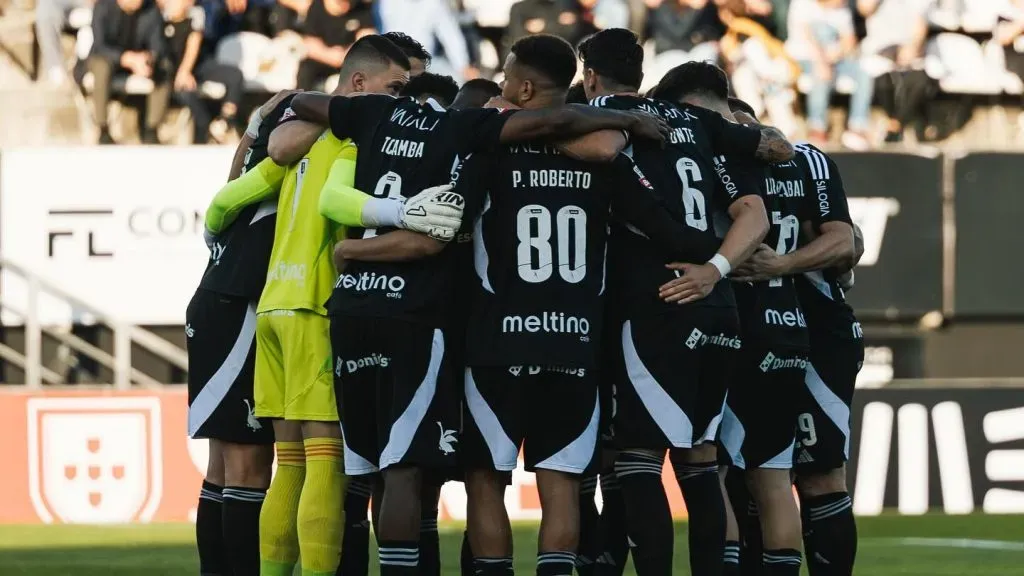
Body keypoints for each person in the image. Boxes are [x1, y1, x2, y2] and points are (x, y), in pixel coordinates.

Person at [281, 68, 669, 576]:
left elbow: (425, 229)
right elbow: (628, 182)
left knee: (460, 478)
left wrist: (351, 247)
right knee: (559, 484)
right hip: (568, 339)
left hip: (476, 340)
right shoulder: (575, 150)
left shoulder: (445, 139)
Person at [461, 33, 723, 576]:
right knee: (561, 482)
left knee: (486, 478)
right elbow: (650, 213)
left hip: (497, 336)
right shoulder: (603, 157)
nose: (502, 85)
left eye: (508, 77)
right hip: (577, 339)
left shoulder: (487, 141)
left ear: (525, 87)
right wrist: (719, 260)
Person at [201, 35, 439, 576]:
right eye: (394, 87)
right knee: (326, 467)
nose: (401, 100)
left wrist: (214, 237)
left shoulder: (296, 144)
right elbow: (336, 200)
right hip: (314, 306)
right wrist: (404, 210)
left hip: (273, 308)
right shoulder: (355, 139)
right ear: (358, 83)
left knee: (288, 466)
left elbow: (224, 202)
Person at [579, 29, 784, 576]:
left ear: (591, 75)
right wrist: (716, 269)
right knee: (700, 461)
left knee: (639, 460)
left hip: (658, 300)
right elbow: (769, 164)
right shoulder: (702, 124)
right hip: (718, 306)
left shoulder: (596, 113)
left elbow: (602, 161)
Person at [730, 97, 862, 576]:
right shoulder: (718, 165)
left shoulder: (806, 160)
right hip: (748, 332)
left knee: (820, 473)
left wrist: (784, 263)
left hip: (818, 335)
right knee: (748, 476)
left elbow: (847, 240)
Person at [186, 87, 296, 576]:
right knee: (248, 464)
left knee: (224, 465)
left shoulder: (254, 164)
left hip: (220, 299)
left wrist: (253, 126)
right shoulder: (297, 146)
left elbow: (234, 181)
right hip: (241, 304)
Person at [75, 0, 170, 144]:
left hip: (138, 62)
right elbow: (100, 46)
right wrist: (125, 58)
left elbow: (158, 46)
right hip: (107, 59)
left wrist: (148, 59)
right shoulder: (103, 7)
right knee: (102, 67)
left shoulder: (151, 11)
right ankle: (103, 129)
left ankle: (151, 129)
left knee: (165, 67)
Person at [785, 0, 874, 149]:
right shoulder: (802, 4)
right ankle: (817, 128)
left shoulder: (842, 9)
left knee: (864, 71)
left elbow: (849, 39)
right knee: (820, 73)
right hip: (804, 58)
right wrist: (822, 60)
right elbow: (806, 36)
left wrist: (836, 53)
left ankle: (857, 127)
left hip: (834, 58)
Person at [162, 0, 246, 143]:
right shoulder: (160, 18)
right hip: (170, 71)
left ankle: (224, 122)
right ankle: (207, 129)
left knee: (235, 76)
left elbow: (194, 42)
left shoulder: (196, 14)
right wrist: (181, 73)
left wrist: (185, 71)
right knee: (185, 91)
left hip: (196, 66)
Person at [376, 0, 475, 80]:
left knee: (459, 82)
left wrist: (463, 66)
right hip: (393, 62)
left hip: (427, 63)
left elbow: (450, 34)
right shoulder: (386, 3)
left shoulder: (435, 3)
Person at [297, 0, 374, 90]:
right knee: (305, 70)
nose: (344, 4)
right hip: (322, 57)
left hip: (350, 59)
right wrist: (329, 55)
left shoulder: (360, 8)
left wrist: (347, 55)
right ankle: (301, 101)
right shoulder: (316, 7)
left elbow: (367, 38)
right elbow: (310, 43)